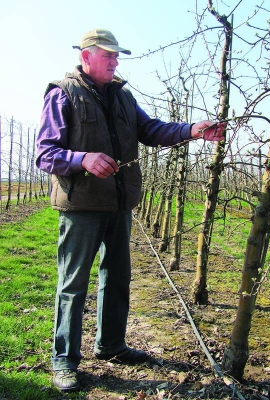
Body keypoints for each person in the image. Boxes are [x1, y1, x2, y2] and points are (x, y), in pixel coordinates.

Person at [36, 28, 226, 392]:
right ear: (87, 56)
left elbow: (150, 129)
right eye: (108, 55)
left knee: (118, 277)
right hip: (81, 206)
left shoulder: (124, 97)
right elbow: (46, 153)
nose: (115, 61)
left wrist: (193, 130)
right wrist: (83, 159)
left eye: (116, 55)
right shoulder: (63, 94)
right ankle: (64, 360)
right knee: (73, 285)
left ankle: (111, 346)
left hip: (120, 204)